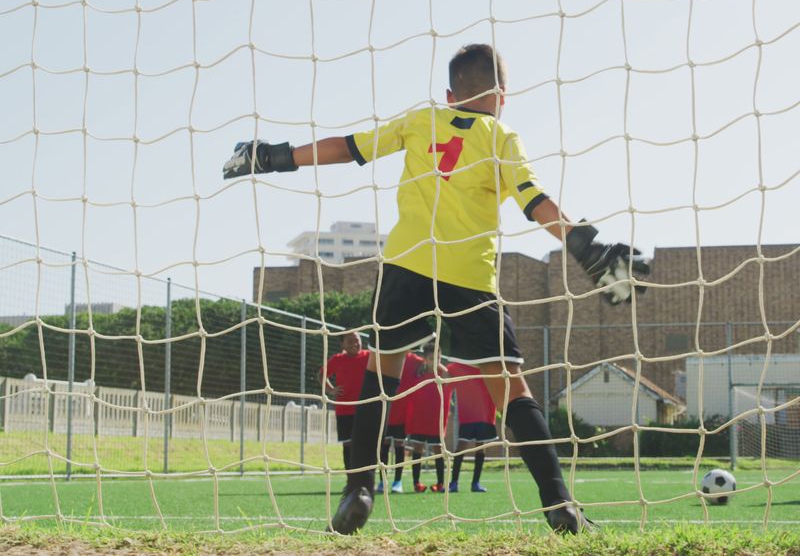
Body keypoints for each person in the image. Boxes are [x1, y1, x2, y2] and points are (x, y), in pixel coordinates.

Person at [223, 43, 649, 534]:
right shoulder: (501, 137)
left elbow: (349, 147)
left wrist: (274, 156)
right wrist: (585, 247)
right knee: (511, 389)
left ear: (451, 94)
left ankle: (358, 489)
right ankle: (559, 505)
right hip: (469, 276)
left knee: (380, 376)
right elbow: (533, 200)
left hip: (406, 266)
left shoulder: (421, 120)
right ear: (503, 95)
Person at [401, 346, 452, 493]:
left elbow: (449, 379)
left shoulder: (444, 374)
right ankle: (416, 483)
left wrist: (437, 364)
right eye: (431, 358)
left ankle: (440, 483)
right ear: (425, 359)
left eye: (438, 358)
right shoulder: (419, 373)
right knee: (418, 448)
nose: (435, 361)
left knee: (438, 450)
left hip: (436, 419)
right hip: (420, 418)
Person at [375, 351, 424, 495]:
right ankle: (382, 480)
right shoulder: (387, 354)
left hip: (403, 410)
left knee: (399, 445)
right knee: (384, 446)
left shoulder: (414, 359)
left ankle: (397, 481)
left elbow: (426, 364)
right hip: (386, 408)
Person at [320, 332, 369, 474]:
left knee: (365, 444)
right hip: (345, 409)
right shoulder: (337, 359)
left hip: (365, 409)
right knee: (348, 444)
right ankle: (351, 478)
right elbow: (321, 375)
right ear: (342, 344)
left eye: (357, 340)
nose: (355, 343)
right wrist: (331, 390)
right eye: (350, 341)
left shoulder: (369, 357)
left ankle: (364, 477)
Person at [447, 361, 498, 493]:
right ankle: (454, 483)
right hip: (467, 415)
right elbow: (445, 374)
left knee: (480, 448)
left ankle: (475, 483)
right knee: (461, 447)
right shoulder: (459, 367)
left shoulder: (487, 366)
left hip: (484, 415)